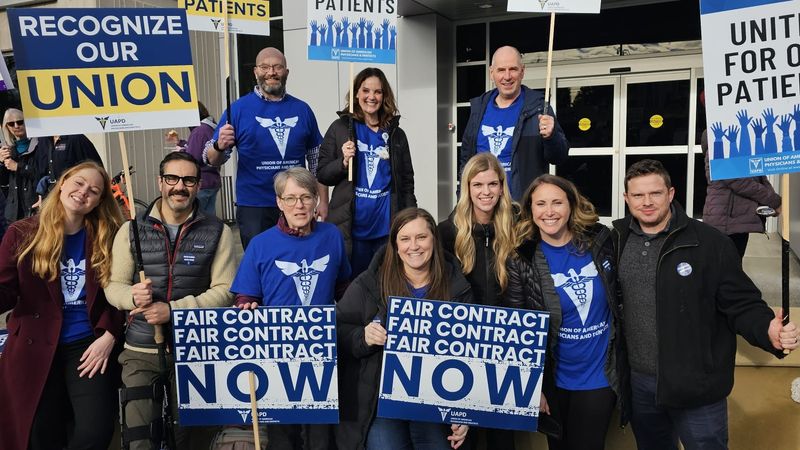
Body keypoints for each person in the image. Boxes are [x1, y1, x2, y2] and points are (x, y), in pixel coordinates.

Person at [613, 159, 799, 449]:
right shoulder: (617, 240)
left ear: (671, 194)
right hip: (641, 385)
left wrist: (767, 330)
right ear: (626, 198)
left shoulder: (709, 243)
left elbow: (741, 303)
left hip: (697, 387)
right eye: (638, 195)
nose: (646, 202)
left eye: (655, 193)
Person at [105, 152, 237, 449]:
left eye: (188, 179)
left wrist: (173, 311)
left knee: (192, 439)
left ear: (198, 184)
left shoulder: (219, 231)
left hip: (196, 349)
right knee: (140, 439)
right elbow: (113, 287)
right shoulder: (131, 230)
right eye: (172, 179)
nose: (180, 186)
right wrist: (130, 296)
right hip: (141, 349)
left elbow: (225, 290)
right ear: (160, 182)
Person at [0, 161, 125, 450]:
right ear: (64, 182)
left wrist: (110, 334)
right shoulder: (22, 234)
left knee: (94, 432)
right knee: (39, 433)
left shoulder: (109, 235)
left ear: (99, 202)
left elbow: (120, 291)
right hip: (33, 344)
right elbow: (5, 290)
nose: (83, 193)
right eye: (79, 183)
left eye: (94, 191)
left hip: (88, 345)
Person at [505, 174, 627, 450]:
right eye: (541, 204)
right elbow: (518, 328)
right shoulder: (521, 257)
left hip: (599, 375)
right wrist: (532, 386)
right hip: (554, 379)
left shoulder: (601, 241)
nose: (549, 211)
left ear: (571, 205)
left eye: (557, 202)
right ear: (530, 210)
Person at [232, 167, 350, 450]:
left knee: (321, 439)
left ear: (315, 201)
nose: (300, 205)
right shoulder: (260, 245)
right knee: (283, 439)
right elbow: (244, 296)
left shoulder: (332, 236)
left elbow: (344, 289)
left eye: (306, 197)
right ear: (279, 202)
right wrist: (246, 306)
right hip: (277, 354)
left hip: (321, 352)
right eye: (292, 198)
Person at [336, 207, 471, 450]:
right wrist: (362, 336)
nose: (414, 246)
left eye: (421, 237)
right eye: (405, 239)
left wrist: (465, 414)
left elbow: (473, 355)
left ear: (434, 240)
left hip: (434, 400)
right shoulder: (371, 282)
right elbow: (338, 330)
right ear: (395, 245)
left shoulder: (457, 287)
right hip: (381, 400)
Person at [206, 47, 328, 249]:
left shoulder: (303, 110)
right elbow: (212, 160)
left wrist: (322, 201)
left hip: (296, 202)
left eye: (277, 67)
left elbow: (318, 163)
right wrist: (219, 146)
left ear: (286, 72)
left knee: (297, 257)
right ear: (255, 72)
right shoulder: (237, 109)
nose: (271, 72)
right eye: (265, 67)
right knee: (260, 262)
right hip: (255, 205)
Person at [437, 153, 517, 448]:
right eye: (478, 184)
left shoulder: (516, 228)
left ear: (502, 186)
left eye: (493, 184)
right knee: (462, 436)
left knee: (501, 439)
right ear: (467, 188)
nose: (486, 192)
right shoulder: (447, 232)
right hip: (463, 345)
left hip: (505, 345)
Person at [317, 67, 417, 279]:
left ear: (384, 95)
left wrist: (410, 219)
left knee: (388, 286)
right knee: (353, 290)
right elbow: (322, 173)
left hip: (386, 230)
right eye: (365, 91)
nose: (371, 97)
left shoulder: (396, 134)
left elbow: (407, 181)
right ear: (356, 94)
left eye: (378, 92)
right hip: (353, 230)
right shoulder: (340, 128)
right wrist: (342, 162)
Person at [459, 46, 569, 201]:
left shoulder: (538, 108)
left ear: (522, 71)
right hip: (485, 207)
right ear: (492, 73)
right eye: (501, 70)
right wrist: (461, 199)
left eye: (513, 69)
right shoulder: (479, 110)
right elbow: (466, 161)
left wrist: (552, 137)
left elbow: (559, 157)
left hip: (522, 207)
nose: (507, 76)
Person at [701, 130, 781, 258]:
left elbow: (759, 177)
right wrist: (774, 200)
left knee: (732, 267)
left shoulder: (741, 149)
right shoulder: (717, 148)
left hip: (737, 219)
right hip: (725, 219)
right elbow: (739, 182)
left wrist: (771, 201)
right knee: (725, 270)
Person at [0, 108, 52, 222]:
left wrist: (18, 167)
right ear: (6, 127)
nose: (16, 126)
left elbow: (44, 174)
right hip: (14, 212)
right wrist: (1, 162)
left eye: (20, 122)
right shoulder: (8, 149)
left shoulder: (41, 145)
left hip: (35, 207)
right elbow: (3, 182)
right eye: (11, 124)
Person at [184, 101, 221, 216]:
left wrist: (181, 151)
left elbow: (192, 158)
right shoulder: (209, 128)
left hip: (201, 182)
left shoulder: (199, 131)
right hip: (212, 180)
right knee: (209, 220)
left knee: (197, 221)